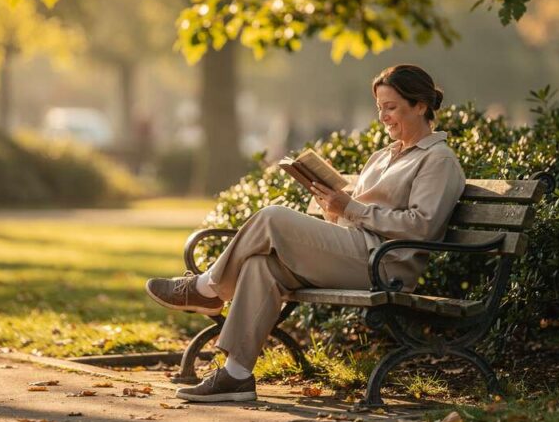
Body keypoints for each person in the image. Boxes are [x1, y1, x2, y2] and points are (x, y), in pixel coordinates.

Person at [144, 64, 466, 402]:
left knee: (273, 217)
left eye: (392, 108)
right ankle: (236, 375)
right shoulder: (382, 157)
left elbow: (422, 225)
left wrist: (351, 208)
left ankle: (207, 287)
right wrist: (334, 210)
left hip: (387, 266)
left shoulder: (438, 160)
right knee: (260, 266)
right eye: (380, 108)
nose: (384, 117)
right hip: (358, 254)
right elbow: (357, 220)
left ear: (420, 105)